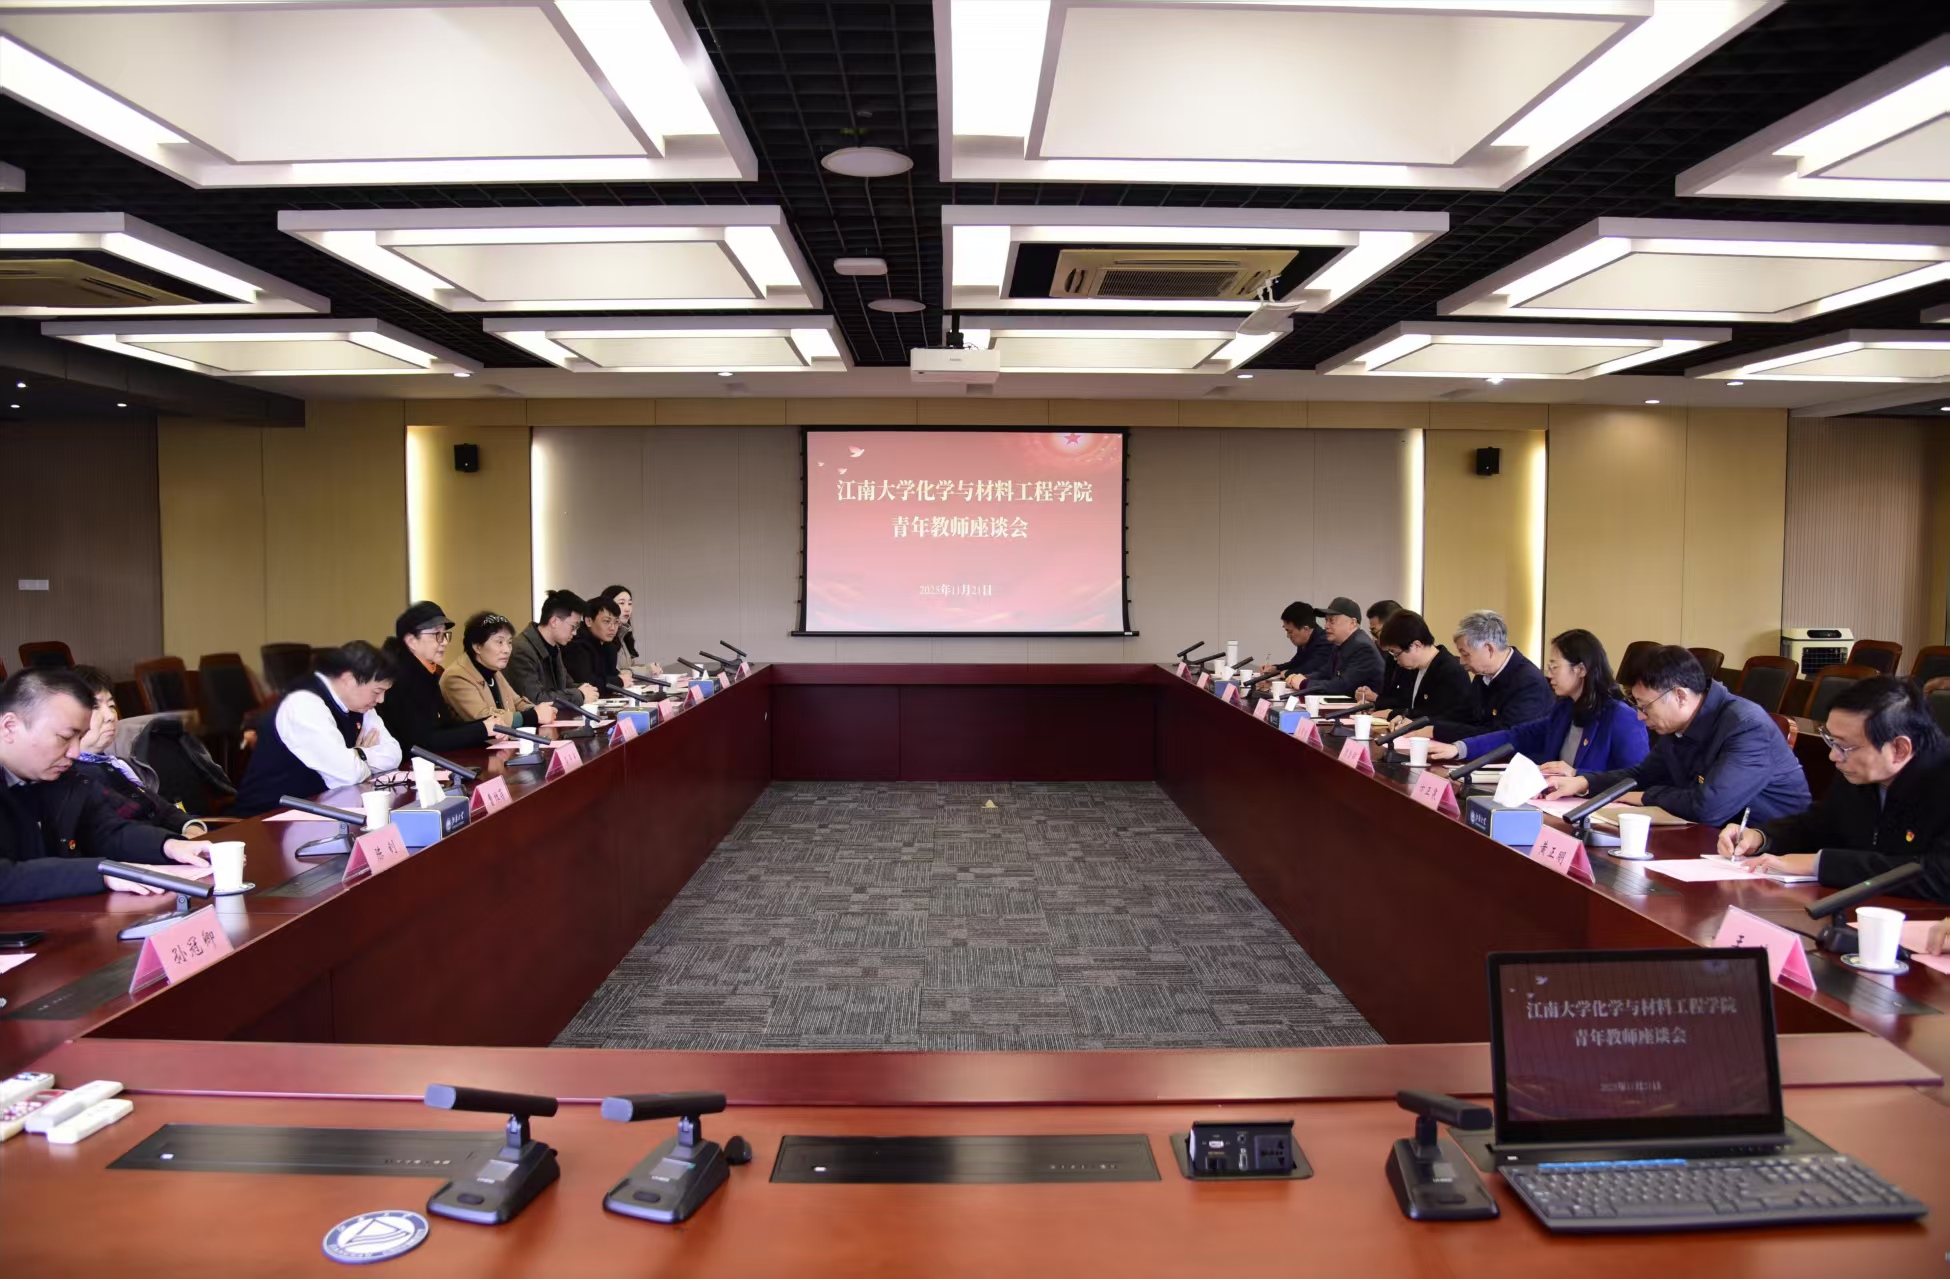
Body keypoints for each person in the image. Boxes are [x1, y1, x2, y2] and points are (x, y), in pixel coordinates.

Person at [1721, 676, 1950, 902]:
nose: (1833, 755)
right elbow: (1818, 824)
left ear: (1899, 749)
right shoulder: (1859, 772)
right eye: (1832, 741)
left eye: (1845, 746)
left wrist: (1819, 864)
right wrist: (1761, 837)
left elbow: (1940, 876)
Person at [0, 669, 213, 905]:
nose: (74, 753)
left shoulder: (63, 778)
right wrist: (103, 873)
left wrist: (169, 846)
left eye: (79, 738)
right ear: (9, 727)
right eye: (65, 738)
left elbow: (107, 831)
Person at [1544, 645, 1811, 826]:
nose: (1640, 717)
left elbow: (1709, 807)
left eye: (1645, 706)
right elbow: (1644, 775)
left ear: (1680, 696)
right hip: (1713, 841)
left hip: (1767, 854)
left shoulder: (1747, 727)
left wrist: (1646, 797)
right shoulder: (1678, 723)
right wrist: (1582, 782)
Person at [1423, 629, 1648, 772]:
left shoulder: (1621, 718)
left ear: (1580, 670)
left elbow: (1635, 779)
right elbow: (1517, 735)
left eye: (1554, 667)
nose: (1549, 674)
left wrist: (1578, 777)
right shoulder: (1564, 709)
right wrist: (1460, 748)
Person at [231, 641, 403, 817]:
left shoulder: (361, 706)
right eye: (377, 691)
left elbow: (394, 754)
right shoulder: (304, 704)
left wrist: (356, 755)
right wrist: (361, 756)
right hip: (267, 820)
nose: (381, 700)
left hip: (321, 811)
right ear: (348, 680)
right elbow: (349, 774)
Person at [70, 666, 201, 836]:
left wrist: (191, 827)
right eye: (95, 706)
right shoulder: (75, 777)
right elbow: (120, 833)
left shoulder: (115, 764)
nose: (111, 716)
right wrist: (172, 842)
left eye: (111, 705)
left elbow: (158, 806)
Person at [378, 601, 507, 756]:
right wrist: (482, 729)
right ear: (412, 641)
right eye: (437, 635)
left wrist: (487, 725)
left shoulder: (427, 672)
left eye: (445, 634)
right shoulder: (400, 679)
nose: (444, 642)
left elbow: (445, 727)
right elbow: (421, 743)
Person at [1429, 610, 1554, 742]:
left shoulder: (1528, 682)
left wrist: (1438, 731)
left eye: (1465, 655)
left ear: (1489, 649)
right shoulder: (1482, 675)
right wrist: (1428, 725)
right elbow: (1466, 717)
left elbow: (1503, 737)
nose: (1461, 661)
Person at [442, 612, 559, 731]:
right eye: (499, 642)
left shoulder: (493, 670)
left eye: (509, 642)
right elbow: (484, 717)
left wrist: (539, 710)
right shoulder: (456, 676)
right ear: (477, 646)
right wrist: (533, 716)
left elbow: (517, 702)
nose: (507, 650)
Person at [1359, 610, 1472, 726]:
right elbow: (1407, 705)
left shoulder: (1450, 671)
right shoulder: (1414, 667)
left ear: (1416, 645)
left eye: (1396, 653)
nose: (1395, 659)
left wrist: (1394, 714)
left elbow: (1440, 716)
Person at [508, 589, 596, 709]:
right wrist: (579, 695)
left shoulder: (554, 647)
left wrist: (585, 689)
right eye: (573, 626)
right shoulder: (522, 650)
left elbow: (566, 685)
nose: (575, 633)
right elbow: (535, 699)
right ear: (554, 621)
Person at [1289, 597, 1385, 698]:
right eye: (1326, 621)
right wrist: (1303, 677)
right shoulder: (1339, 644)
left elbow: (1343, 685)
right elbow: (1326, 673)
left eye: (1332, 621)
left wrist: (1304, 683)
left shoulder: (1362, 647)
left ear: (1352, 623)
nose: (1326, 626)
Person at [564, 593, 629, 691]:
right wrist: (619, 681)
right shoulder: (575, 646)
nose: (612, 628)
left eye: (616, 622)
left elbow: (611, 675)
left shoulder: (609, 646)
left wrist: (621, 677)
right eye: (607, 621)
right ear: (589, 621)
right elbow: (587, 683)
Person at [1260, 601, 1335, 684]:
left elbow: (1311, 668)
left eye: (1290, 631)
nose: (1288, 636)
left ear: (1305, 629)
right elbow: (1295, 663)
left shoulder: (1325, 641)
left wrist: (1287, 673)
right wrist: (1276, 668)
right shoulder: (1305, 640)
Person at [600, 585, 663, 681]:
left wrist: (650, 667)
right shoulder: (603, 636)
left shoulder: (623, 633)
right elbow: (616, 674)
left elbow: (628, 668)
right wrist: (647, 670)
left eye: (630, 604)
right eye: (621, 603)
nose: (627, 608)